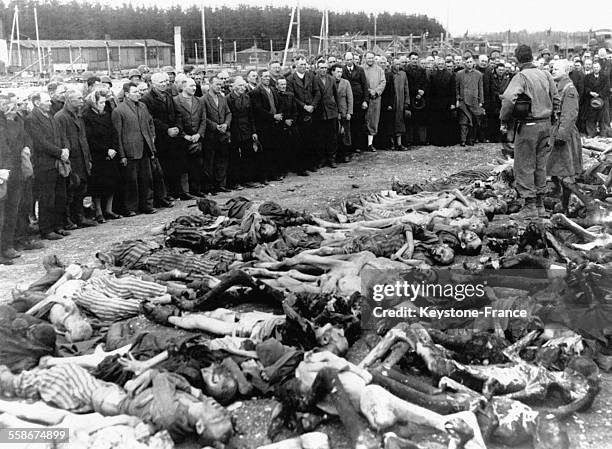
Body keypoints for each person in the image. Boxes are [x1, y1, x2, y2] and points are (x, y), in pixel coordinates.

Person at [500, 44, 559, 218]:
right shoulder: (545, 74)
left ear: (517, 59)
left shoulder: (521, 77)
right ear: (531, 57)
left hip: (528, 126)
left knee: (524, 165)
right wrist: (553, 119)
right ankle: (540, 205)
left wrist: (504, 119)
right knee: (541, 165)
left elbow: (509, 99)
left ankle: (529, 206)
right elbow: (556, 99)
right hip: (546, 125)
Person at [25, 93, 69, 241]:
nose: (50, 103)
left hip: (58, 162)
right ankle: (46, 229)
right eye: (46, 101)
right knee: (47, 198)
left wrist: (65, 149)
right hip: (44, 164)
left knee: (59, 196)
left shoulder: (50, 116)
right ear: (37, 102)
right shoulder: (32, 119)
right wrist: (59, 152)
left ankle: (58, 225)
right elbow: (40, 142)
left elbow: (61, 135)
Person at [111, 83, 157, 216]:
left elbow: (150, 123)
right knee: (131, 181)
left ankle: (147, 205)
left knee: (146, 179)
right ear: (126, 94)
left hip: (145, 148)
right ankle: (131, 207)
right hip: (130, 150)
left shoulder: (143, 106)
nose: (138, 94)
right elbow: (117, 134)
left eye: (138, 91)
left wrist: (151, 141)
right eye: (135, 92)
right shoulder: (119, 111)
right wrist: (122, 155)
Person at [141, 72, 187, 200]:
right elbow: (151, 119)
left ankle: (178, 191)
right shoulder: (147, 99)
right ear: (153, 84)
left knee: (176, 164)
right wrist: (167, 129)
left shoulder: (168, 95)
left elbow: (177, 113)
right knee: (163, 166)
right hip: (161, 137)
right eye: (161, 82)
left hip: (174, 136)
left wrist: (178, 127)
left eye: (166, 81)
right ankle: (165, 194)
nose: (164, 84)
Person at [55, 89, 96, 229]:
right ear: (69, 100)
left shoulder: (78, 115)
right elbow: (62, 139)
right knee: (70, 190)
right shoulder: (61, 117)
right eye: (78, 98)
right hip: (72, 159)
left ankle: (78, 217)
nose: (82, 101)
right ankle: (67, 220)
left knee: (81, 189)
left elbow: (83, 138)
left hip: (82, 158)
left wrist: (88, 158)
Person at [547, 59, 582, 213]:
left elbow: (570, 115)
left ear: (566, 71)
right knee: (555, 170)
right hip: (555, 131)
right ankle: (558, 201)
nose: (553, 70)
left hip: (564, 136)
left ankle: (567, 205)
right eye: (552, 68)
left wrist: (561, 136)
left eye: (556, 68)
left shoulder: (570, 89)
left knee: (565, 172)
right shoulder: (557, 87)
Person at [82, 91, 121, 224]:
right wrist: (106, 150)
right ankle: (98, 211)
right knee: (98, 185)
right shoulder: (87, 117)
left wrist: (114, 148)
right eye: (101, 102)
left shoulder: (107, 115)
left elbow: (114, 132)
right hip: (98, 154)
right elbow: (90, 138)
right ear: (94, 103)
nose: (103, 105)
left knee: (112, 181)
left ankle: (109, 210)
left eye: (104, 102)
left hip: (111, 153)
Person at [173, 77, 207, 197]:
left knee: (197, 165)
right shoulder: (175, 101)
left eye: (194, 86)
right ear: (183, 86)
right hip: (182, 140)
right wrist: (184, 136)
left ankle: (196, 190)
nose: (194, 88)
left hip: (197, 138)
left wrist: (199, 134)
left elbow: (203, 119)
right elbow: (175, 121)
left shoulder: (199, 101)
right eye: (191, 86)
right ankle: (184, 191)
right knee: (183, 166)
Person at [227, 76, 259, 188]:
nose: (243, 87)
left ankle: (248, 180)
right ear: (234, 86)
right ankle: (235, 182)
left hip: (246, 130)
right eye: (240, 85)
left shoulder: (247, 98)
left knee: (248, 155)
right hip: (234, 131)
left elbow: (251, 116)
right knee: (234, 157)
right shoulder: (228, 99)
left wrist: (254, 131)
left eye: (244, 85)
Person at [202, 76, 232, 194]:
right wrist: (215, 126)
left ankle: (221, 184)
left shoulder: (222, 98)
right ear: (210, 84)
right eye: (217, 84)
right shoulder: (203, 99)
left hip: (223, 134)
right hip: (211, 135)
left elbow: (228, 113)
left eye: (220, 84)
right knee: (210, 161)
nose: (219, 87)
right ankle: (210, 186)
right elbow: (204, 117)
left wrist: (226, 124)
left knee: (222, 160)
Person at [287, 57, 316, 175]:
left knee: (311, 140)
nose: (303, 67)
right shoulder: (290, 79)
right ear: (296, 66)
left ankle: (310, 164)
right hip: (299, 113)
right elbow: (292, 96)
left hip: (311, 112)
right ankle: (300, 167)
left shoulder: (311, 76)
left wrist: (313, 105)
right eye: (301, 65)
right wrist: (304, 106)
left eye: (305, 64)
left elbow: (317, 92)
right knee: (299, 141)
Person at [250, 71, 282, 180]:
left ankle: (274, 173)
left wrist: (278, 115)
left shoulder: (273, 90)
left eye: (268, 76)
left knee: (274, 149)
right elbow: (258, 110)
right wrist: (272, 116)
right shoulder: (256, 92)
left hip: (275, 125)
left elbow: (278, 104)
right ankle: (264, 176)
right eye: (265, 77)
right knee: (264, 151)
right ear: (260, 78)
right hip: (263, 125)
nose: (267, 78)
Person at [312, 60, 340, 167]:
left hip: (331, 111)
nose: (323, 70)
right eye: (321, 68)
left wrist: (338, 110)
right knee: (320, 137)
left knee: (332, 137)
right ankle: (321, 159)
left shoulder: (331, 79)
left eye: (325, 68)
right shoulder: (314, 79)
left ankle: (331, 159)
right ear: (317, 68)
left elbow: (336, 95)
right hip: (319, 112)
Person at [342, 52, 369, 154]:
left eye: (350, 59)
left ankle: (358, 146)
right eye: (347, 60)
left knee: (359, 124)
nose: (349, 61)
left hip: (358, 101)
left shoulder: (360, 70)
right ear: (345, 60)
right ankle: (349, 146)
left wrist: (365, 101)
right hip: (347, 102)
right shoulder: (343, 70)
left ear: (353, 59)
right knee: (349, 125)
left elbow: (365, 86)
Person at [455, 56, 484, 146]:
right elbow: (456, 88)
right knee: (464, 121)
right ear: (464, 63)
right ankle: (463, 140)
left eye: (471, 62)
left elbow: (480, 88)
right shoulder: (459, 74)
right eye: (467, 62)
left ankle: (471, 139)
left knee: (474, 121)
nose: (469, 64)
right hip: (463, 100)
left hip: (474, 101)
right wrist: (457, 99)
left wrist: (481, 101)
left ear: (473, 63)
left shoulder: (478, 74)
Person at [428, 58, 456, 146]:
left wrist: (452, 103)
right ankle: (436, 141)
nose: (441, 65)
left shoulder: (449, 75)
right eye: (439, 63)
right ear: (437, 64)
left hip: (446, 102)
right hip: (435, 102)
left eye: (442, 63)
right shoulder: (433, 74)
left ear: (444, 64)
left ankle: (446, 141)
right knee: (436, 122)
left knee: (446, 122)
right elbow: (430, 90)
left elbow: (453, 91)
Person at [363, 52, 386, 152]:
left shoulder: (379, 70)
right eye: (368, 58)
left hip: (376, 98)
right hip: (365, 98)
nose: (370, 60)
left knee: (373, 120)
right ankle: (361, 143)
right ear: (365, 59)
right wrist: (368, 91)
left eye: (372, 58)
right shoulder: (361, 69)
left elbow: (383, 82)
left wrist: (376, 91)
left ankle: (370, 143)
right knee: (364, 119)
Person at [405, 51, 429, 145]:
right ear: (409, 60)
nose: (414, 61)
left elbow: (426, 82)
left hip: (421, 98)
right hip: (410, 97)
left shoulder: (422, 70)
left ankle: (421, 140)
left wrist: (422, 91)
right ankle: (409, 140)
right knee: (410, 120)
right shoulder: (406, 70)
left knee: (421, 119)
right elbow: (407, 84)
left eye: (416, 59)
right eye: (413, 59)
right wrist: (416, 91)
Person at [276, 78, 298, 173]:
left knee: (295, 145)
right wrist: (284, 121)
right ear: (277, 86)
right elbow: (277, 111)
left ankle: (295, 167)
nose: (283, 86)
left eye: (284, 84)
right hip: (280, 125)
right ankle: (283, 169)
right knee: (282, 147)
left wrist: (291, 120)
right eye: (281, 84)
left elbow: (295, 111)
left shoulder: (290, 95)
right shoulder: (275, 96)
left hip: (292, 124)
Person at [583, 61, 611, 137]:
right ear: (592, 68)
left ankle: (603, 133)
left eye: (597, 67)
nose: (596, 69)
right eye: (594, 67)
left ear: (600, 68)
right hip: (591, 100)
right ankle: (591, 133)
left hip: (602, 99)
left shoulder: (605, 77)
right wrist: (590, 93)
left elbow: (607, 88)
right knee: (591, 118)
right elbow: (585, 87)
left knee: (603, 118)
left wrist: (599, 94)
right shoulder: (588, 77)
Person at [332, 64, 353, 162]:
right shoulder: (330, 82)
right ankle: (336, 155)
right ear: (333, 72)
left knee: (346, 134)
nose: (339, 74)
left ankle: (346, 154)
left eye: (341, 72)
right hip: (333, 113)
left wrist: (349, 112)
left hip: (344, 112)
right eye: (337, 72)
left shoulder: (346, 83)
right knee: (335, 135)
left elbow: (350, 98)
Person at [484, 63, 511, 142]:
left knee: (502, 120)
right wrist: (497, 95)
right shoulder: (492, 77)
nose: (501, 71)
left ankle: (501, 137)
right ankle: (492, 137)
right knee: (493, 120)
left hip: (503, 101)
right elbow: (490, 88)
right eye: (499, 70)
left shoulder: (507, 78)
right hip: (494, 101)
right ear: (496, 70)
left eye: (502, 70)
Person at [391, 58, 411, 150]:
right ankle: (391, 143)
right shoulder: (389, 74)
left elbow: (406, 88)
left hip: (401, 103)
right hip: (392, 103)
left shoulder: (403, 74)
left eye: (399, 64)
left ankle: (399, 143)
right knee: (390, 123)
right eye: (396, 64)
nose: (397, 66)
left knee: (400, 123)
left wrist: (407, 101)